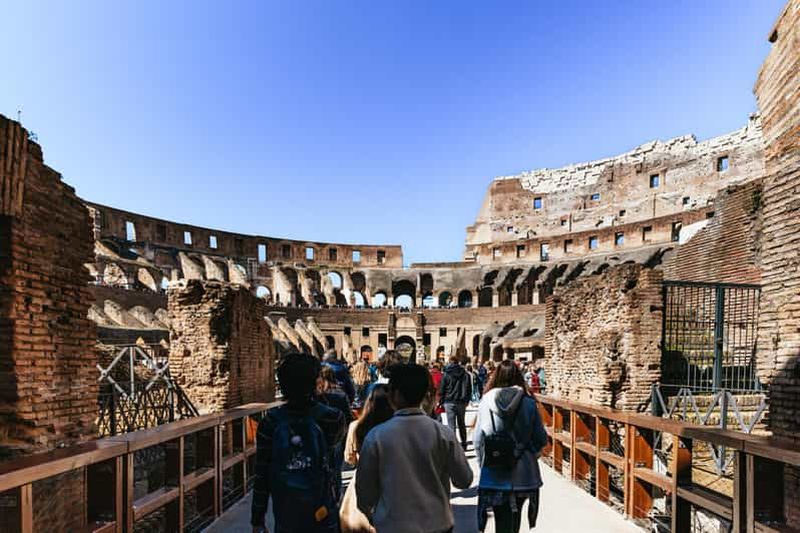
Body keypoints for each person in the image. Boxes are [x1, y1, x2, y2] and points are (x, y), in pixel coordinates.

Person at [356, 364, 473, 533]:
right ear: (426, 394)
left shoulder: (377, 436)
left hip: (393, 525)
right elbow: (464, 479)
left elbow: (365, 491)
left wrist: (373, 515)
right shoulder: (443, 433)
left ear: (394, 393)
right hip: (437, 523)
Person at [251, 352, 346, 533]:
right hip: (322, 508)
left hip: (287, 511)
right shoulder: (333, 418)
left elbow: (262, 473)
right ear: (315, 382)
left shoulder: (270, 422)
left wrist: (257, 520)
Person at [473, 360, 547, 533]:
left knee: (501, 517)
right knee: (516, 514)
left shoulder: (486, 401)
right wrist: (531, 452)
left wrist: (483, 461)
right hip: (523, 471)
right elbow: (541, 438)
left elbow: (478, 439)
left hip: (495, 468)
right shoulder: (528, 403)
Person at [340, 384, 394, 533]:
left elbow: (349, 458)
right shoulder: (395, 429)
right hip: (391, 481)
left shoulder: (356, 426)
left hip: (361, 480)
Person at [318, 365, 354, 503]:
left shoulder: (317, 397)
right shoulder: (340, 395)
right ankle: (336, 497)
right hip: (338, 436)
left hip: (320, 436)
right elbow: (348, 416)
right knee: (336, 468)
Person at [439, 355, 472, 450]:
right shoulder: (465, 374)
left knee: (451, 425)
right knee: (462, 424)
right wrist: (467, 400)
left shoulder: (446, 374)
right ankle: (464, 443)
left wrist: (441, 401)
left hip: (449, 401)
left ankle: (453, 446)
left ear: (450, 362)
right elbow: (469, 388)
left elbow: (442, 389)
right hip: (461, 401)